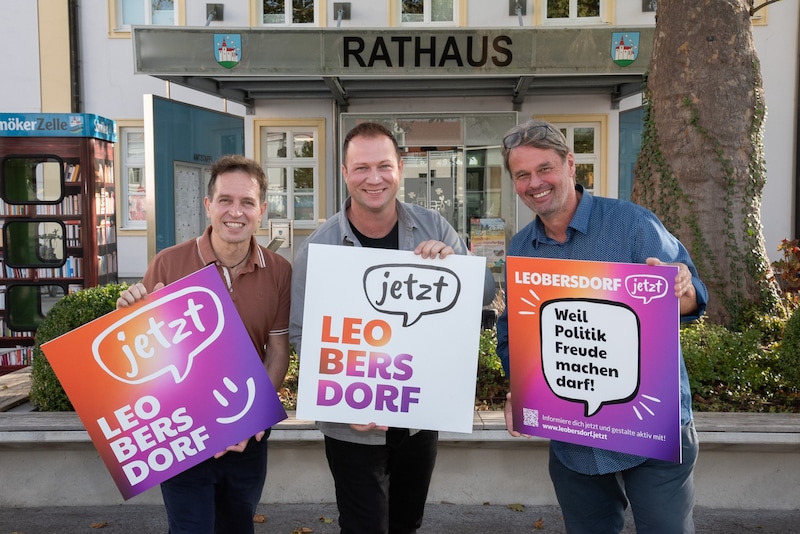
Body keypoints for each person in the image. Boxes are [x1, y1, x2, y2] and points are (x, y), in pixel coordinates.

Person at [496, 119, 708, 533]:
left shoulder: (632, 224)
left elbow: (692, 297)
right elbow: (514, 335)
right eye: (522, 175)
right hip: (574, 438)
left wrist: (679, 284)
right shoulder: (522, 249)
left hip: (652, 433)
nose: (535, 183)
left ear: (570, 165)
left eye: (545, 169)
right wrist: (520, 387)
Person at [289, 122, 495, 534]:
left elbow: (484, 292)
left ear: (400, 168)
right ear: (345, 173)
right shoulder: (319, 248)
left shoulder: (434, 226)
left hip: (418, 417)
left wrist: (453, 261)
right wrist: (348, 401)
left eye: (383, 166)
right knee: (364, 527)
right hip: (352, 425)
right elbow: (300, 333)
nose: (374, 178)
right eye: (361, 168)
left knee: (406, 523)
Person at [116, 155, 292, 534]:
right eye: (225, 200)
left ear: (261, 210)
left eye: (247, 202)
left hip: (249, 430)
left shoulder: (279, 270)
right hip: (184, 432)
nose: (236, 212)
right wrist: (126, 319)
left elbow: (277, 350)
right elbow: (145, 358)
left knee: (237, 526)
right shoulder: (167, 264)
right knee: (190, 527)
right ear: (209, 205)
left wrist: (249, 420)